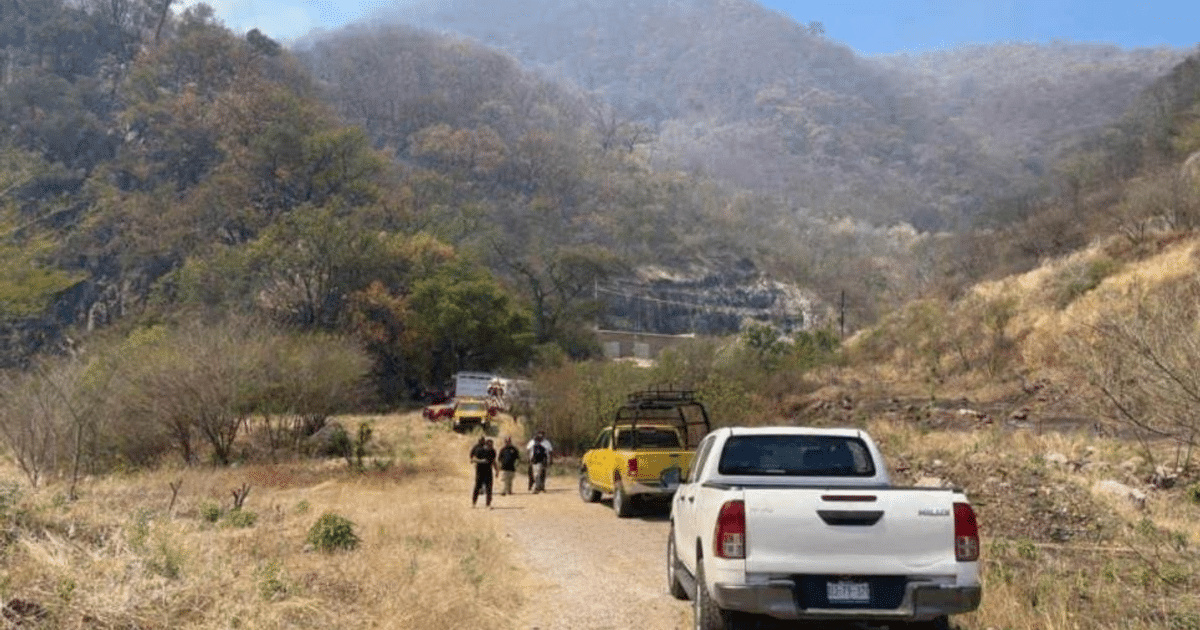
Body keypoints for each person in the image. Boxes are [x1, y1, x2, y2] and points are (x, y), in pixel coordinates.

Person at [469, 436, 499, 508]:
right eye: (489, 445)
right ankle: (473, 503)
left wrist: (497, 470)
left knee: (489, 488)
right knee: (477, 487)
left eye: (491, 445)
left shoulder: (493, 451)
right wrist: (481, 461)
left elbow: (494, 461)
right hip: (480, 471)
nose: (490, 446)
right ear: (486, 444)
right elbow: (473, 459)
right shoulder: (479, 450)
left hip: (488, 471)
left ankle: (488, 504)